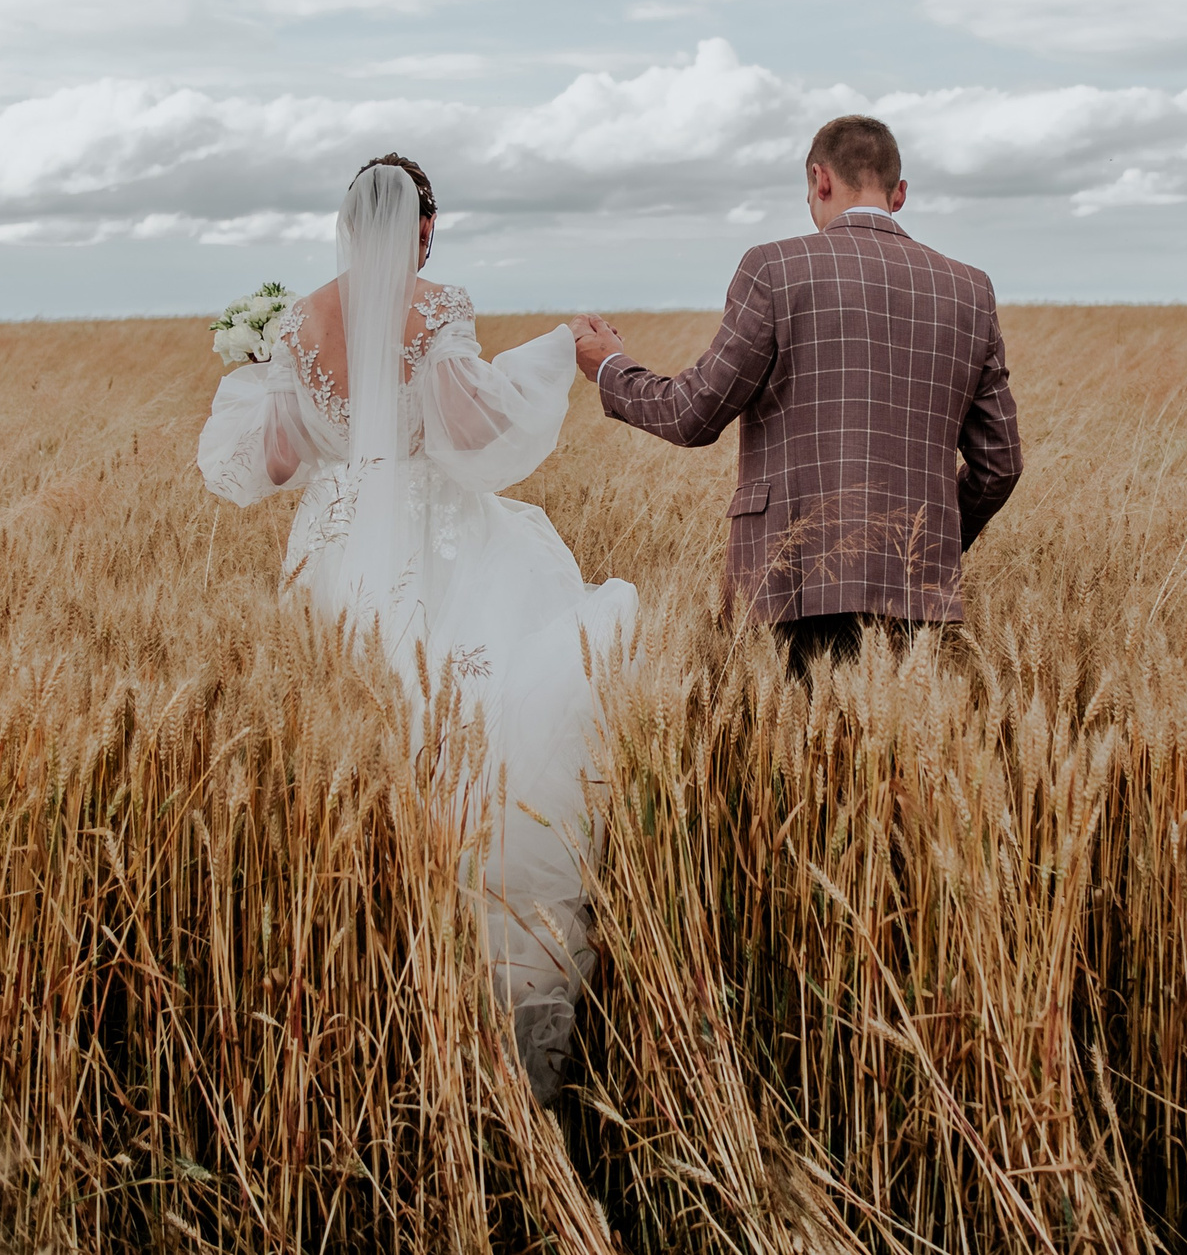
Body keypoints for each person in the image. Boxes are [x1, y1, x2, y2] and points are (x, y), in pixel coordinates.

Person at [195, 154, 636, 1104]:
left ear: (347, 225)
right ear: (424, 228)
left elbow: (273, 459)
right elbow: (469, 434)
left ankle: (358, 958)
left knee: (347, 733)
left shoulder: (296, 318)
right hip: (434, 536)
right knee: (465, 727)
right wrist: (556, 351)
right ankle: (471, 971)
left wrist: (280, 382)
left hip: (335, 542)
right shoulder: (435, 306)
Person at [570, 116, 1020, 676]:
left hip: (789, 577)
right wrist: (926, 543)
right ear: (899, 193)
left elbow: (693, 414)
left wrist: (610, 366)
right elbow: (999, 463)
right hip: (914, 585)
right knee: (884, 764)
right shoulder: (970, 288)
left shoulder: (775, 267)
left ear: (820, 178)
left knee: (797, 760)